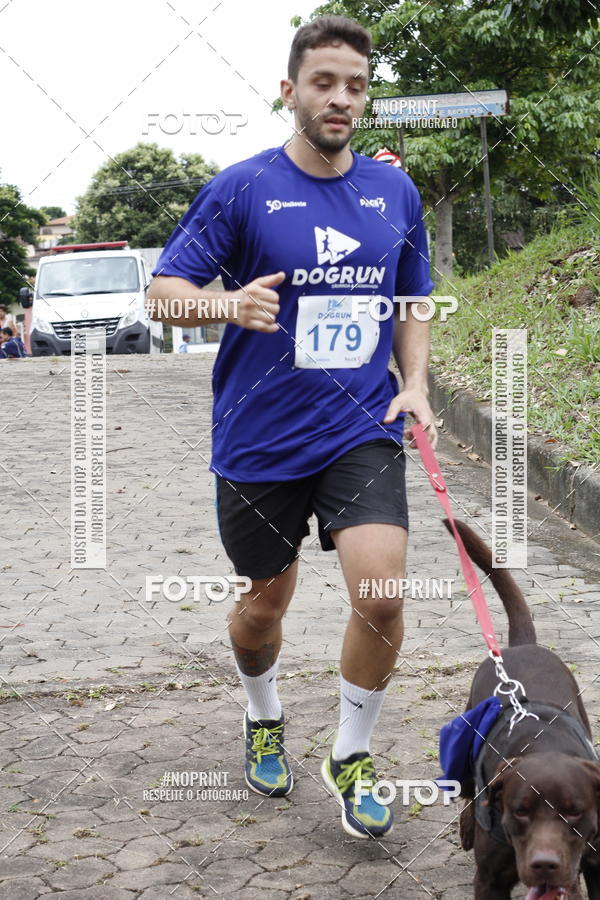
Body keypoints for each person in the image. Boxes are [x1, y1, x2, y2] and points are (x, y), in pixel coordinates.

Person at [148, 14, 437, 840]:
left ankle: (350, 753)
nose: (341, 98)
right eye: (324, 82)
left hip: (361, 425)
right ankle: (263, 712)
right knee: (263, 606)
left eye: (355, 85)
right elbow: (163, 294)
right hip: (259, 438)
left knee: (382, 592)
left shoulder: (393, 192)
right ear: (290, 91)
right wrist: (224, 305)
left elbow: (413, 299)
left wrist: (415, 385)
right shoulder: (241, 188)